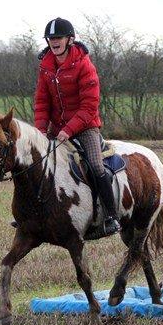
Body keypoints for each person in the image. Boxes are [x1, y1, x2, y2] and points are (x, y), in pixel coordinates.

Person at [33, 17, 121, 235]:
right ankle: (34, 214)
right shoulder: (45, 67)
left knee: (96, 165)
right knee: (37, 161)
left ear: (69, 39)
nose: (54, 42)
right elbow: (42, 102)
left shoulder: (84, 65)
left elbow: (89, 107)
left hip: (85, 127)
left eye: (58, 38)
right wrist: (40, 131)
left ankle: (111, 216)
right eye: (51, 38)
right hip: (56, 128)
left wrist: (68, 130)